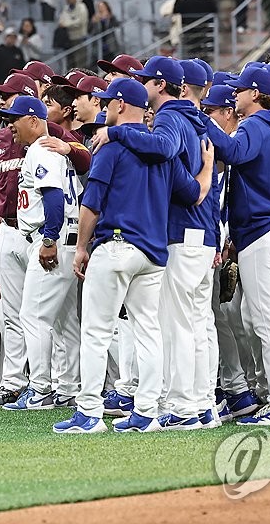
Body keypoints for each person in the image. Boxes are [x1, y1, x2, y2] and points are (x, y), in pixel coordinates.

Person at [53, 78, 185, 434]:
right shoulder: (164, 151)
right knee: (148, 333)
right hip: (153, 252)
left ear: (122, 105)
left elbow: (92, 202)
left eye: (110, 101)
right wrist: (206, 167)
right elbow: (190, 193)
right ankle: (146, 413)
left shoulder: (108, 144)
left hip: (114, 246)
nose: (106, 106)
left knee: (96, 331)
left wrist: (81, 247)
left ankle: (90, 414)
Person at [98, 58, 218, 429]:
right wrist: (203, 179)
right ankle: (201, 404)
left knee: (177, 325)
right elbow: (188, 178)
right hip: (202, 233)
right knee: (197, 324)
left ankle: (183, 408)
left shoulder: (169, 117)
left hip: (182, 233)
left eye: (146, 80)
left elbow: (163, 149)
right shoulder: (196, 117)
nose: (141, 85)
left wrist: (115, 134)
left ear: (161, 85)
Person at [206, 65, 270, 426]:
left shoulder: (255, 125)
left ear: (256, 93)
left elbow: (232, 152)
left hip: (264, 232)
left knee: (267, 322)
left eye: (242, 90)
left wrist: (202, 122)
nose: (236, 95)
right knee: (263, 319)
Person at [0, 95, 81, 412]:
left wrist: (48, 240)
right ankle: (68, 388)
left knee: (33, 317)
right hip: (67, 238)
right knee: (65, 321)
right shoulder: (55, 148)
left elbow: (54, 198)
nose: (9, 125)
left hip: (51, 239)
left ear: (33, 120)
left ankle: (42, 389)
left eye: (14, 119)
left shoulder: (41, 149)